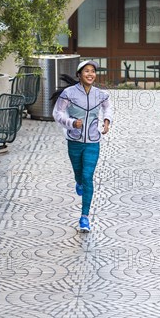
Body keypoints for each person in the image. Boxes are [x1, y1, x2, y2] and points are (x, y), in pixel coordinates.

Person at [52, 60, 112, 233]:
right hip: (74, 141)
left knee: (88, 176)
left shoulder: (100, 94)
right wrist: (71, 123)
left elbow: (108, 108)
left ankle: (84, 217)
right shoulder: (68, 93)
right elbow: (58, 113)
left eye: (93, 71)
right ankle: (78, 181)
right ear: (79, 74)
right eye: (86, 71)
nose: (90, 74)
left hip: (93, 141)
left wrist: (107, 121)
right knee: (79, 174)